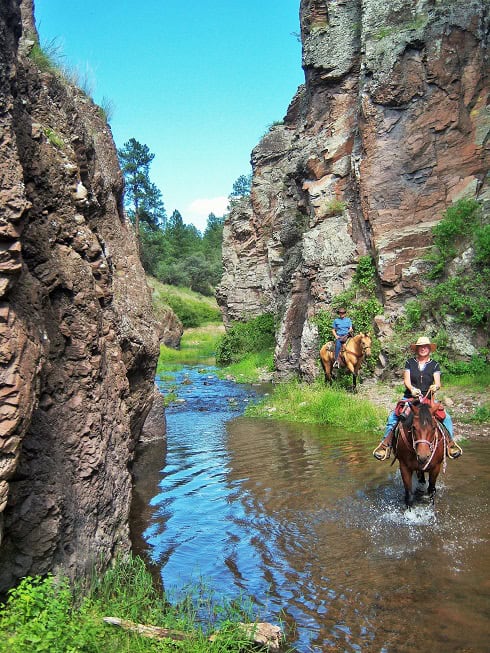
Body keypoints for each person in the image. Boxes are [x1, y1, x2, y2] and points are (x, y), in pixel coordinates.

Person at [373, 336, 462, 461]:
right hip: (410, 398)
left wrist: (435, 387)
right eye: (420, 347)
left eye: (425, 347)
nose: (423, 349)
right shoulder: (410, 362)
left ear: (429, 349)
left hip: (428, 399)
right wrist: (412, 389)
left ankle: (450, 445)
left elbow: (438, 382)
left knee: (446, 417)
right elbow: (407, 381)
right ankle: (385, 446)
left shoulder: (434, 365)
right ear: (417, 349)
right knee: (393, 417)